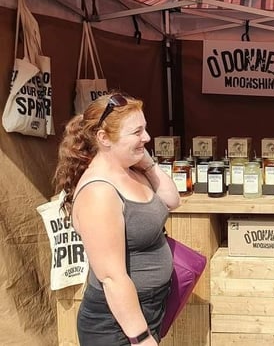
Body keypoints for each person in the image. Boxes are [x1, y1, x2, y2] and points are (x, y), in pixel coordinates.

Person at [54, 92, 180, 346]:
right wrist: (142, 338)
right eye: (136, 132)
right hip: (115, 326)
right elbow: (112, 278)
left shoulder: (132, 170)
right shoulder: (99, 193)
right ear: (104, 139)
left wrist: (148, 164)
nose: (146, 137)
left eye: (145, 129)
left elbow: (171, 200)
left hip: (148, 311)